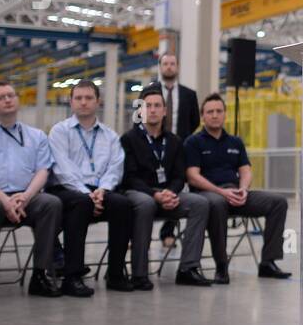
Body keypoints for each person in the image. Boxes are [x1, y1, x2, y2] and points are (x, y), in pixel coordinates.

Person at [0, 81, 63, 302]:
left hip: (26, 196)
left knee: (51, 204)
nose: (8, 99)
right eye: (1, 97)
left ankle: (40, 274)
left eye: (11, 95)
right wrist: (3, 200)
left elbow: (43, 171)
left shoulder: (36, 136)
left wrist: (26, 197)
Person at [185, 92, 291, 283]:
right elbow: (193, 177)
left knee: (278, 202)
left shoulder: (235, 142)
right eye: (210, 112)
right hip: (208, 195)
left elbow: (246, 170)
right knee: (217, 204)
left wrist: (243, 189)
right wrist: (221, 192)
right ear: (203, 116)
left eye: (219, 111)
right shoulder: (193, 142)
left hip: (235, 193)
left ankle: (268, 262)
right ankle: (221, 266)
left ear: (225, 114)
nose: (215, 115)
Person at [47, 80, 135, 295]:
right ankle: (72, 276)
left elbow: (115, 168)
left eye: (88, 98)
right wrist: (88, 194)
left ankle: (115, 273)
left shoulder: (110, 136)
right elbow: (62, 170)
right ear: (71, 102)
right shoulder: (60, 131)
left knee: (123, 204)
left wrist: (102, 191)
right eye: (78, 98)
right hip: (68, 190)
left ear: (98, 102)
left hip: (100, 189)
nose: (83, 103)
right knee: (80, 203)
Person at [119, 86, 210, 289]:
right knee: (145, 205)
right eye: (148, 106)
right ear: (140, 110)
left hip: (169, 196)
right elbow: (130, 178)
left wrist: (170, 193)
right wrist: (155, 194)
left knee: (200, 203)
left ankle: (188, 268)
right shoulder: (128, 140)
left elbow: (179, 176)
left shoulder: (175, 142)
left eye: (157, 106)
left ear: (165, 111)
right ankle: (139, 273)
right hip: (140, 194)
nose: (152, 110)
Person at [150, 53, 200, 249]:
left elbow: (194, 120)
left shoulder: (189, 94)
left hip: (179, 149)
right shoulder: (150, 92)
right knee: (149, 186)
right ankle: (136, 235)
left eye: (172, 64)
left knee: (177, 187)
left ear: (177, 67)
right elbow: (140, 117)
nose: (169, 67)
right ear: (160, 67)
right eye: (165, 64)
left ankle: (168, 232)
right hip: (154, 147)